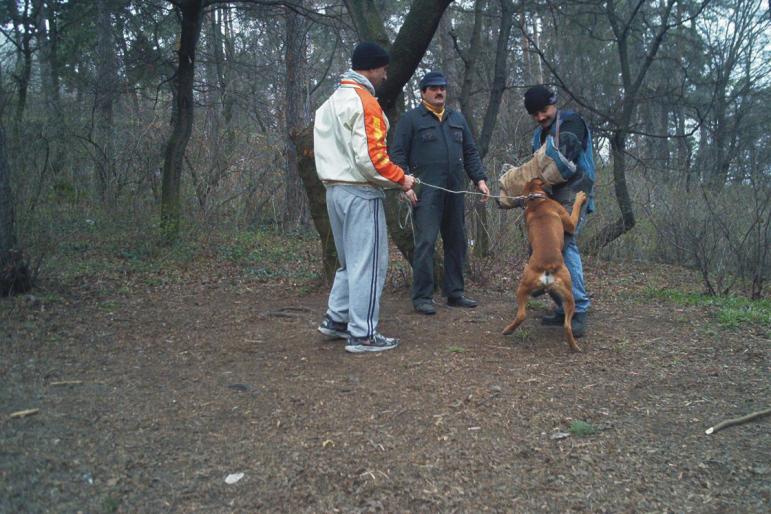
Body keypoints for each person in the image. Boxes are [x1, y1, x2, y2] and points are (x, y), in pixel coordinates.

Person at [313, 42, 416, 353]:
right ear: (371, 68)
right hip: (359, 192)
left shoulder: (330, 102)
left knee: (349, 262)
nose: (385, 75)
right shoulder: (365, 102)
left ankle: (337, 319)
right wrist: (402, 178)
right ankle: (363, 334)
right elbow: (371, 159)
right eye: (383, 69)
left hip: (334, 190)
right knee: (368, 264)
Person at [391, 71, 490, 316]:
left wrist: (480, 179)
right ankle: (423, 296)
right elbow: (398, 154)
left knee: (457, 241)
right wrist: (405, 184)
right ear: (423, 92)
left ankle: (454, 293)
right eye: (434, 88)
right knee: (425, 242)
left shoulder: (457, 118)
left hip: (455, 190)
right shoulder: (411, 120)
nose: (439, 92)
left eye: (442, 88)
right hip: (426, 192)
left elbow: (470, 152)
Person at [523, 85, 596, 337]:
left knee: (564, 245)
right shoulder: (538, 135)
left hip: (575, 192)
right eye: (535, 114)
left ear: (554, 104)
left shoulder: (571, 123)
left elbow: (564, 161)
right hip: (550, 200)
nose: (541, 117)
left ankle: (579, 310)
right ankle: (561, 305)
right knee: (540, 248)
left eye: (543, 110)